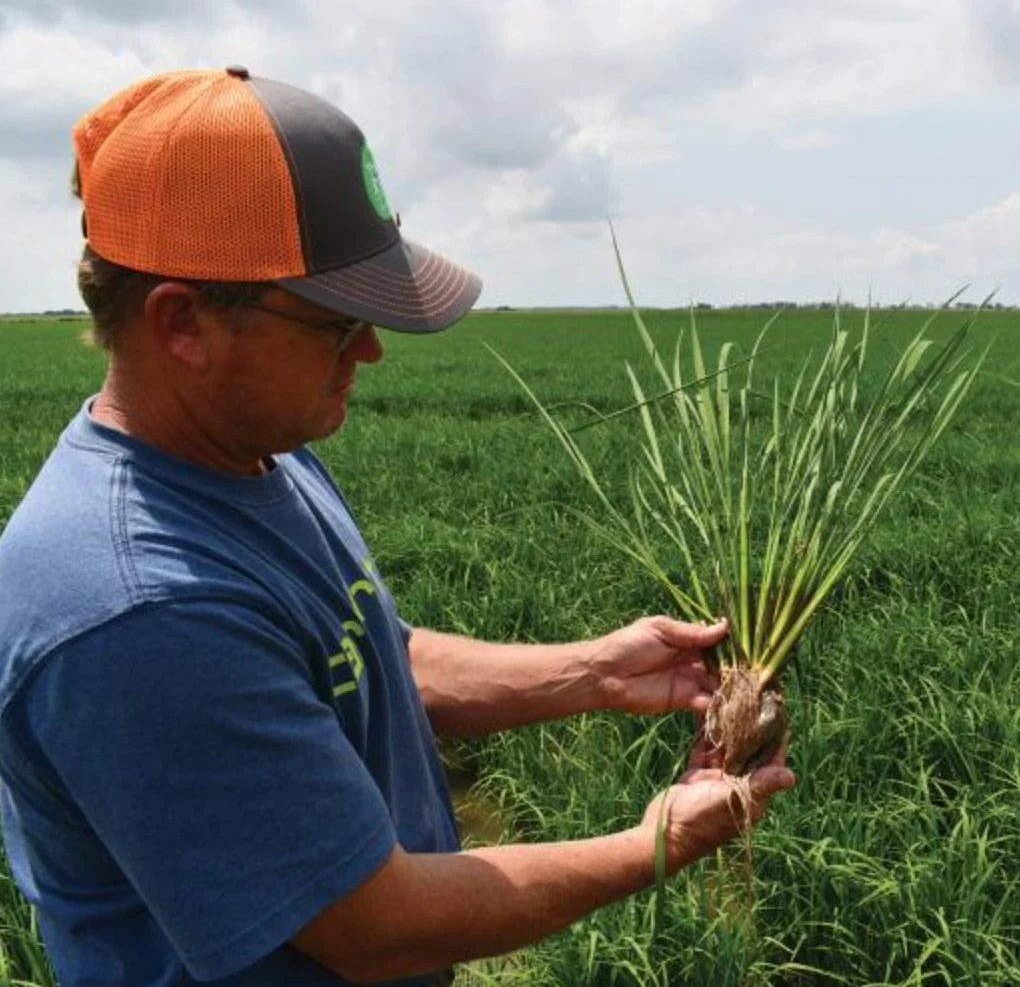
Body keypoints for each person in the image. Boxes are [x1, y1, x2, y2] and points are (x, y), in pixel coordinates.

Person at [0, 67, 794, 987]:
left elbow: (370, 658)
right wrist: (653, 843)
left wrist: (595, 672)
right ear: (183, 324)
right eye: (338, 320)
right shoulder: (138, 611)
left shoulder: (258, 451)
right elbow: (376, 927)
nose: (371, 349)